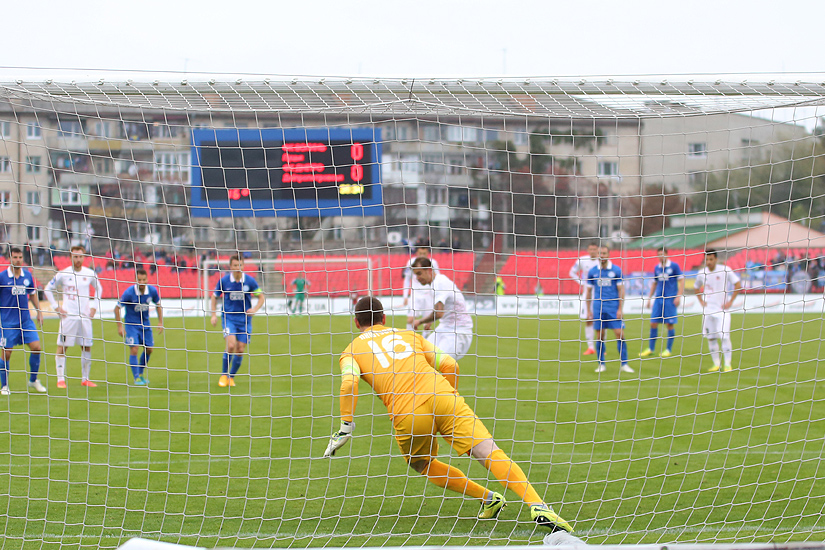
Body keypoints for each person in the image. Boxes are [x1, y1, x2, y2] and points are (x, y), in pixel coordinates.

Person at [323, 296, 573, 534]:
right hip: (443, 395)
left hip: (407, 411)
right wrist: (449, 396)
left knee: (422, 463)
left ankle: (488, 497)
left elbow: (349, 383)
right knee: (489, 451)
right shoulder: (410, 336)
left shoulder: (351, 351)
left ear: (357, 322)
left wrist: (346, 426)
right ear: (384, 318)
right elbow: (450, 365)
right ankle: (537, 504)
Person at [44, 245, 103, 388]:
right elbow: (47, 288)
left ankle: (85, 379)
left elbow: (99, 289)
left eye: (80, 256)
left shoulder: (89, 273)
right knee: (62, 347)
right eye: (75, 256)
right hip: (68, 317)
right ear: (70, 257)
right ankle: (60, 379)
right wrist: (57, 307)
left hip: (84, 317)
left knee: (86, 347)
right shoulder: (63, 274)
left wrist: (94, 307)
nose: (78, 259)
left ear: (84, 257)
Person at [210, 255, 265, 387]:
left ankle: (231, 377)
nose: (238, 268)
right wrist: (213, 315)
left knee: (240, 349)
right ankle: (224, 375)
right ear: (231, 267)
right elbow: (214, 297)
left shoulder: (250, 281)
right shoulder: (224, 281)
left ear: (243, 266)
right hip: (229, 318)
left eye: (240, 265)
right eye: (235, 265)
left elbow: (261, 297)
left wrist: (255, 309)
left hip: (245, 320)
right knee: (230, 346)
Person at [0, 247, 45, 395]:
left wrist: (39, 311)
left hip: (26, 321)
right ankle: (5, 385)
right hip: (7, 322)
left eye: (20, 257)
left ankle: (33, 380)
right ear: (9, 259)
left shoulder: (27, 276)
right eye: (15, 257)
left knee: (37, 347)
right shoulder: (2, 277)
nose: (18, 260)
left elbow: (32, 294)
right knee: (6, 353)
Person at [411, 257, 474, 361]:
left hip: (458, 332)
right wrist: (430, 321)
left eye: (419, 273)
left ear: (429, 271)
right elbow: (439, 309)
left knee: (440, 364)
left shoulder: (439, 283)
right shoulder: (437, 282)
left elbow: (439, 313)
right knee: (421, 359)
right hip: (444, 328)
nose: (417, 278)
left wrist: (420, 321)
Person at [585, 245, 632, 374]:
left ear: (608, 254)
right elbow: (588, 292)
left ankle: (624, 364)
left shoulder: (616, 270)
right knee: (600, 336)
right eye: (600, 253)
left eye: (604, 253)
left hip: (613, 308)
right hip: (598, 308)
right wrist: (588, 310)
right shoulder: (593, 271)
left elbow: (621, 290)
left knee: (620, 335)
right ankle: (601, 364)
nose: (602, 256)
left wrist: (620, 308)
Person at [695, 249, 742, 372]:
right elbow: (696, 287)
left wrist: (730, 301)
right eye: (707, 259)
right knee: (711, 338)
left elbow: (738, 284)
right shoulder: (701, 273)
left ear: (716, 259)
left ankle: (727, 363)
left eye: (711, 259)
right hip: (708, 311)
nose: (709, 262)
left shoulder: (725, 270)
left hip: (722, 311)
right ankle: (716, 363)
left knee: (724, 337)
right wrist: (700, 301)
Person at [114, 268, 163, 385]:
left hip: (145, 324)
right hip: (131, 325)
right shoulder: (129, 293)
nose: (141, 282)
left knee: (149, 349)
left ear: (147, 279)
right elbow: (117, 309)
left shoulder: (152, 291)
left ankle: (140, 373)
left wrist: (160, 322)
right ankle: (136, 377)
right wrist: (120, 326)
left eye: (143, 279)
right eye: (139, 280)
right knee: (134, 348)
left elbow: (158, 305)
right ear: (135, 280)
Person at [639, 247, 685, 359]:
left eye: (662, 254)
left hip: (670, 299)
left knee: (669, 324)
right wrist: (649, 298)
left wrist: (678, 296)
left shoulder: (674, 266)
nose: (661, 256)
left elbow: (681, 280)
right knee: (653, 323)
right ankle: (651, 348)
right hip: (658, 299)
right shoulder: (657, 268)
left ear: (666, 254)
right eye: (659, 254)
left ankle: (668, 349)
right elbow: (655, 283)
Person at [569, 243, 600, 355]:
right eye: (591, 249)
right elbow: (572, 272)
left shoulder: (601, 261)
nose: (592, 251)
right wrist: (581, 283)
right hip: (587, 292)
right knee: (588, 319)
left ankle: (601, 346)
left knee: (601, 320)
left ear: (597, 250)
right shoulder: (582, 260)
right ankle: (590, 347)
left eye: (595, 249)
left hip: (600, 292)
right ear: (588, 249)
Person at [402, 245, 440, 331]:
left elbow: (437, 278)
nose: (422, 255)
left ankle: (425, 339)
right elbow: (407, 279)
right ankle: (410, 338)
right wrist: (405, 296)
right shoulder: (411, 262)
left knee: (428, 322)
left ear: (427, 253)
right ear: (417, 253)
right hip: (415, 294)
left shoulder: (433, 263)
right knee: (410, 319)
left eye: (424, 253)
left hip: (429, 294)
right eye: (420, 253)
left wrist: (436, 294)